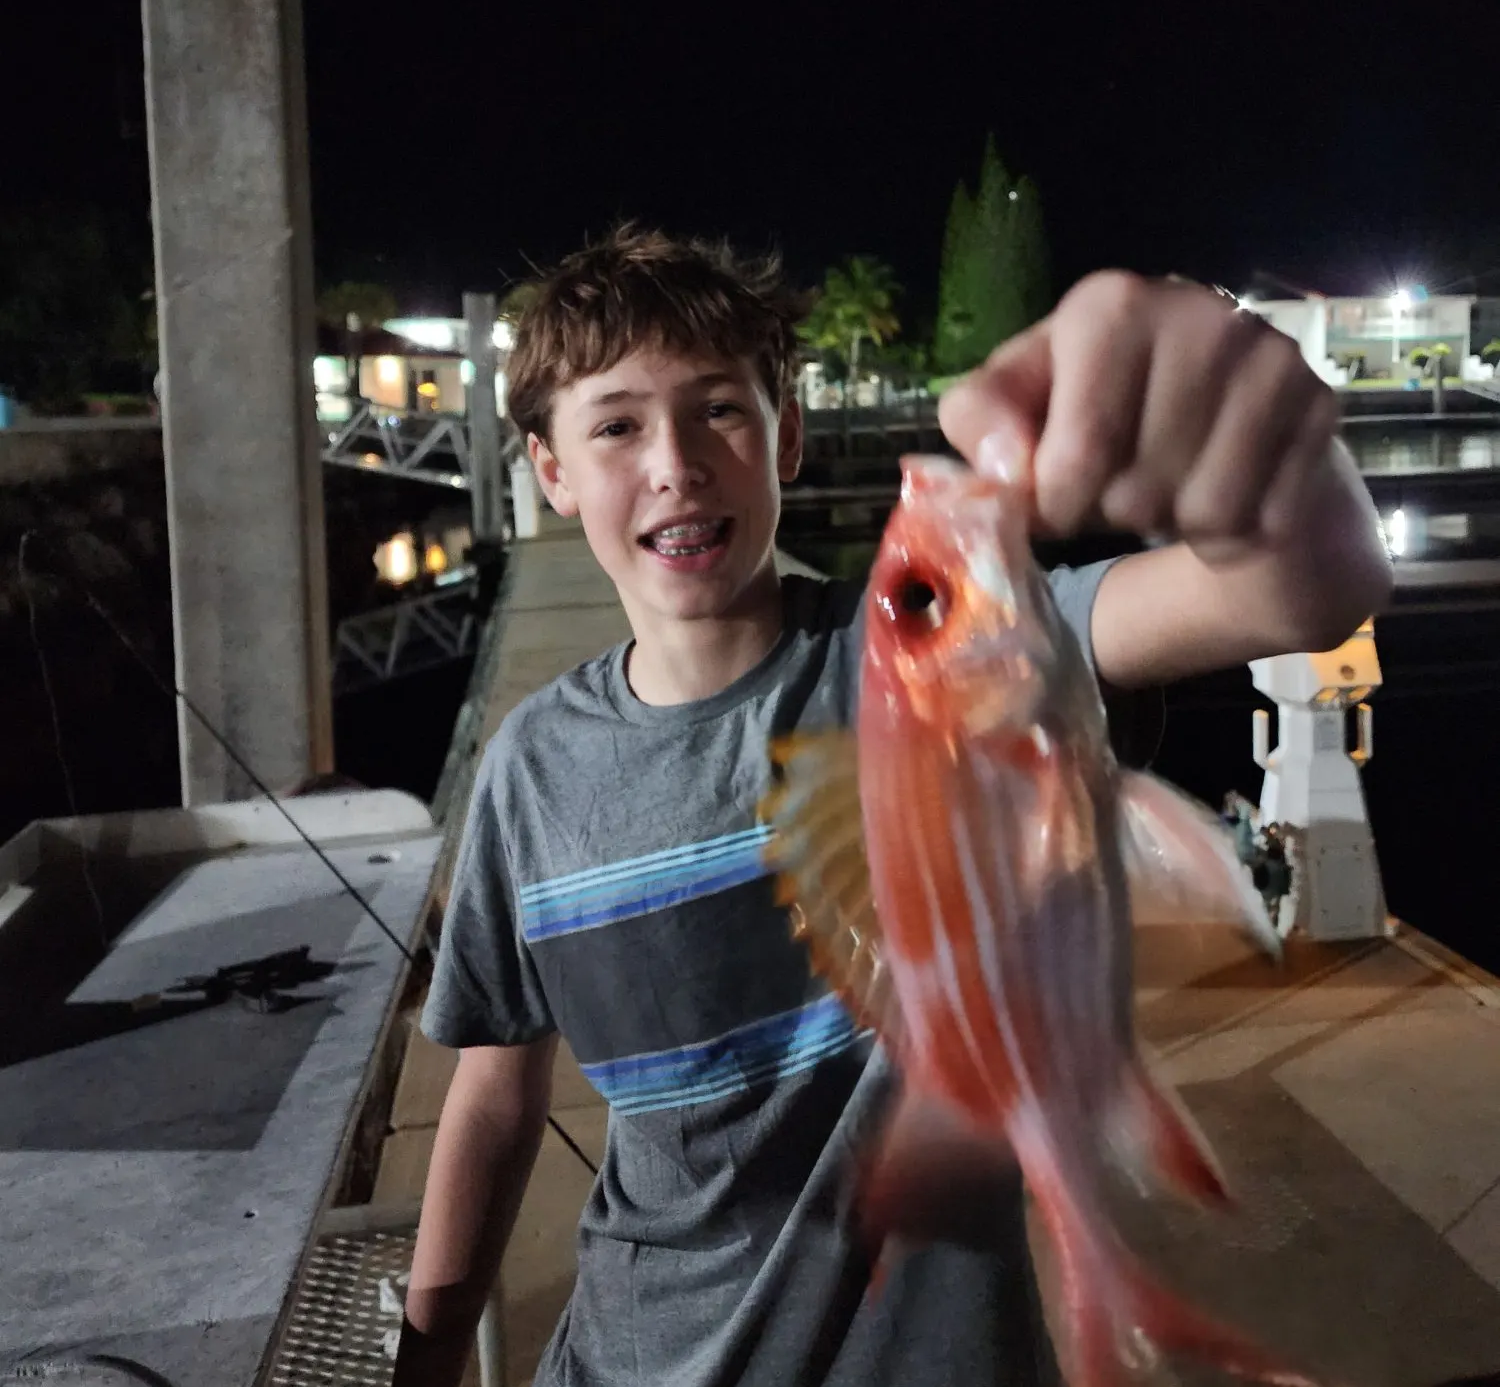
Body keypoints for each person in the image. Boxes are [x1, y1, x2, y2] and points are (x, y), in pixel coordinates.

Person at [394, 227, 1392, 1387]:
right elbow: (493, 1094)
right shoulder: (528, 772)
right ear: (550, 469)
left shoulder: (939, 657)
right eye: (616, 423)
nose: (674, 461)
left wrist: (1251, 393)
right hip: (625, 1355)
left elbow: (1313, 581)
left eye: (719, 408)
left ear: (790, 435)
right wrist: (428, 1346)